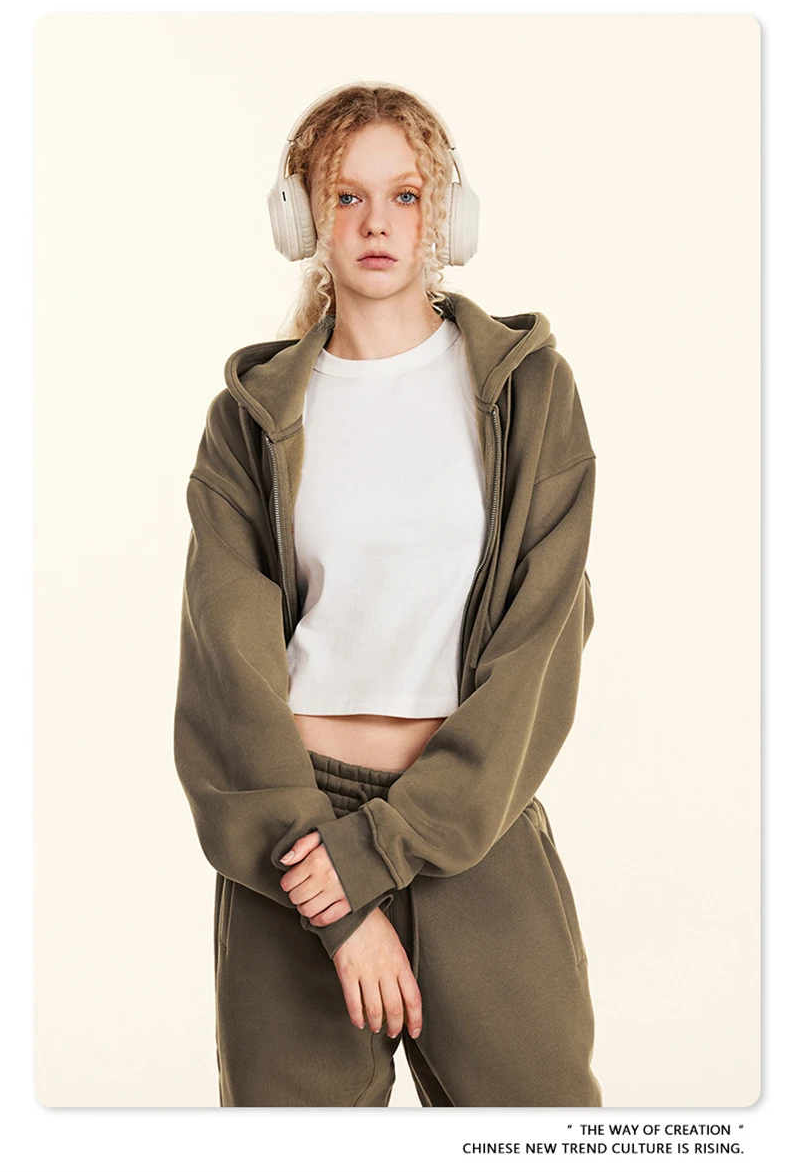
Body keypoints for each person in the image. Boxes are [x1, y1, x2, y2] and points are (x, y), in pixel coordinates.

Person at [173, 80, 602, 1108]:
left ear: (445, 214)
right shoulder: (248, 421)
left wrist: (386, 847)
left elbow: (542, 643)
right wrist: (331, 891)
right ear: (301, 219)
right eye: (346, 195)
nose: (376, 223)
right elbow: (227, 670)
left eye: (405, 195)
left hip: (472, 826)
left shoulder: (530, 394)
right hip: (293, 837)